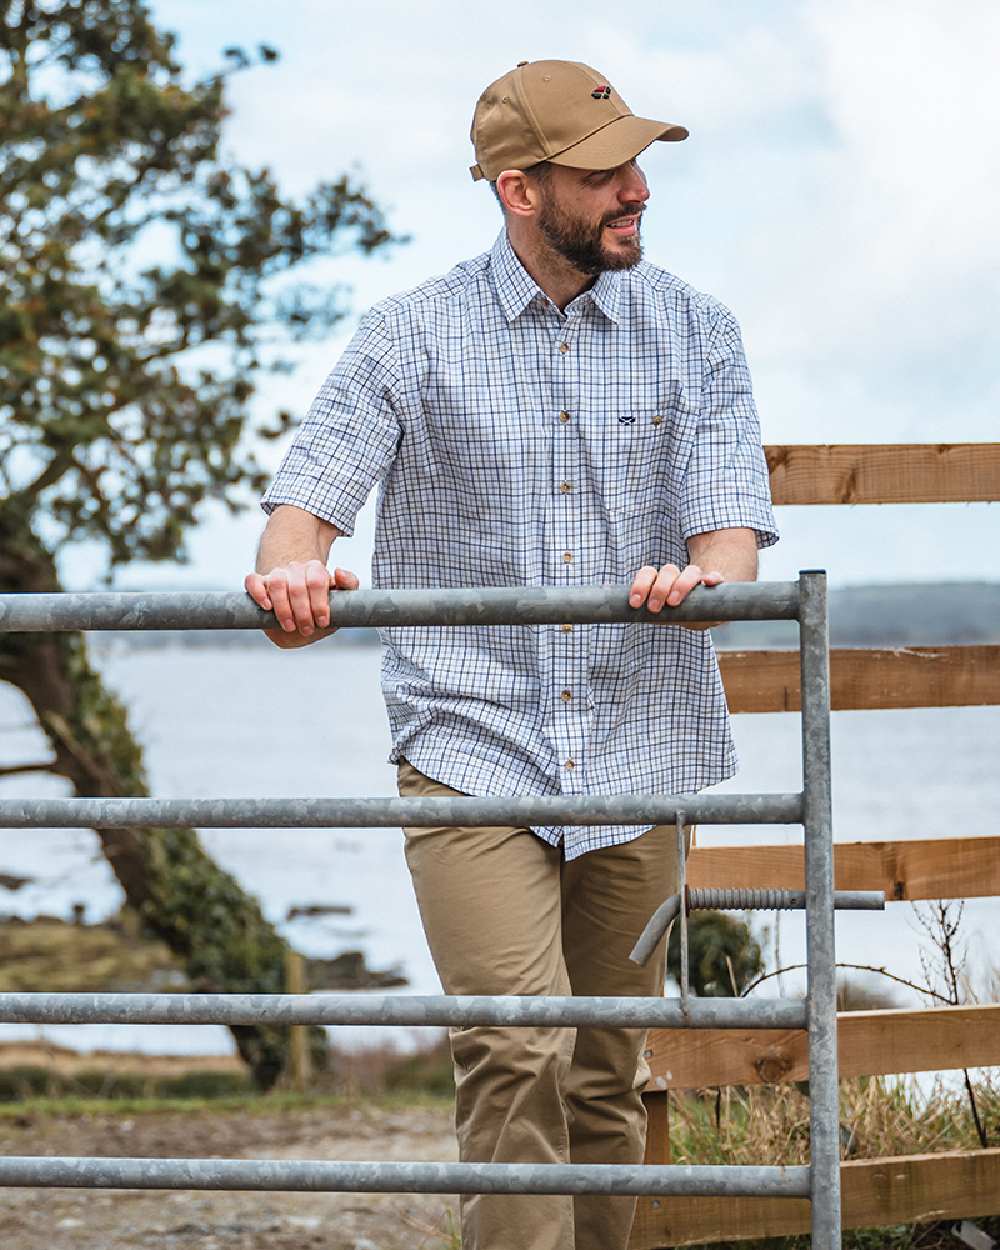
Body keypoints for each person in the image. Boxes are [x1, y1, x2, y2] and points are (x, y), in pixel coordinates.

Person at [246, 58, 778, 1250]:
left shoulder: (699, 330)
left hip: (640, 743)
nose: (637, 190)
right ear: (518, 190)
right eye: (603, 173)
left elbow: (728, 541)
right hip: (469, 742)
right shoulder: (406, 334)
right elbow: (304, 505)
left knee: (604, 1068)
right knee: (512, 1047)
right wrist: (293, 569)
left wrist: (705, 582)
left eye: (637, 165)